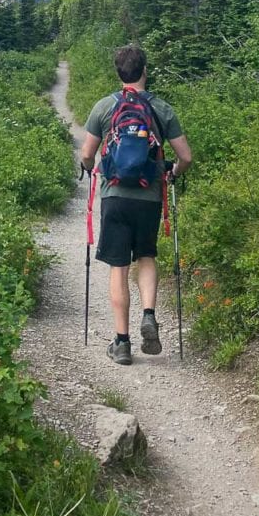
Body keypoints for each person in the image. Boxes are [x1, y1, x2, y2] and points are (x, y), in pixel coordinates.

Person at [80, 43, 192, 365]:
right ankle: (148, 314)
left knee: (119, 266)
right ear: (145, 70)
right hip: (148, 198)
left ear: (119, 74)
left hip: (114, 196)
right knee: (146, 256)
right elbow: (185, 157)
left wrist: (89, 169)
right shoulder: (161, 109)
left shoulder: (104, 107)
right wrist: (171, 172)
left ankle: (122, 342)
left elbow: (88, 154)